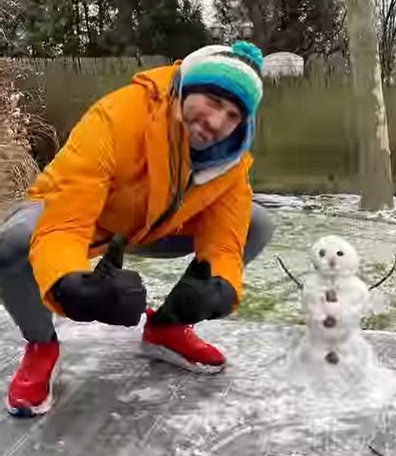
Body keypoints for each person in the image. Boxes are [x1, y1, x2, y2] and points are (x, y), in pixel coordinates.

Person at [0, 41, 274, 417]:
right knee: (14, 243)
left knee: (256, 223)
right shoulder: (118, 116)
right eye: (211, 100)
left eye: (232, 115)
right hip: (88, 220)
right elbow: (64, 223)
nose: (216, 122)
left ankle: (169, 328)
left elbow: (224, 241)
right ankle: (41, 345)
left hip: (153, 227)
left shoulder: (230, 160)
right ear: (184, 87)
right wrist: (71, 287)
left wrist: (218, 286)